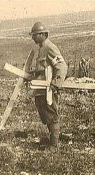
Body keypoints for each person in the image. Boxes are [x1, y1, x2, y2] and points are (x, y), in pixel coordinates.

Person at [29, 22, 68, 150]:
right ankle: (51, 139)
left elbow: (61, 66)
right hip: (40, 89)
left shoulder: (50, 47)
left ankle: (54, 144)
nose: (33, 38)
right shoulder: (41, 48)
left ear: (42, 35)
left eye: (35, 35)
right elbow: (41, 69)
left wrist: (56, 83)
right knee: (44, 114)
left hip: (49, 89)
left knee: (51, 114)